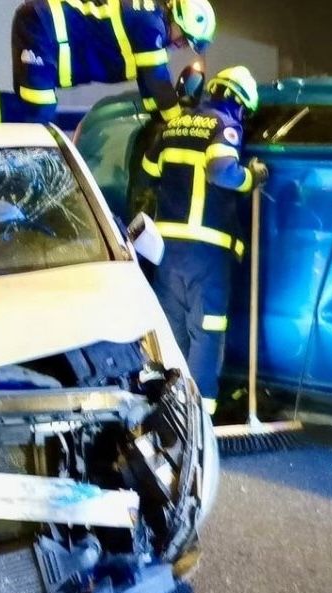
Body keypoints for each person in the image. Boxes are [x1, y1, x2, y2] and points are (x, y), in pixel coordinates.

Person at [141, 66, 267, 416]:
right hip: (206, 251)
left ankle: (170, 413)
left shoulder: (174, 125)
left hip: (166, 251)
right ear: (239, 103)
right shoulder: (223, 126)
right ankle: (201, 419)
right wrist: (251, 177)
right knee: (206, 333)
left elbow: (149, 173)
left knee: (173, 333)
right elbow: (222, 172)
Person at [0, 0, 216, 126]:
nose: (179, 46)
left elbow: (151, 92)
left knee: (33, 109)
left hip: (45, 30)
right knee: (38, 111)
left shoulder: (151, 24)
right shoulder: (150, 28)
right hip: (42, 28)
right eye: (184, 39)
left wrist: (160, 120)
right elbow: (157, 83)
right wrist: (179, 122)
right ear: (177, 19)